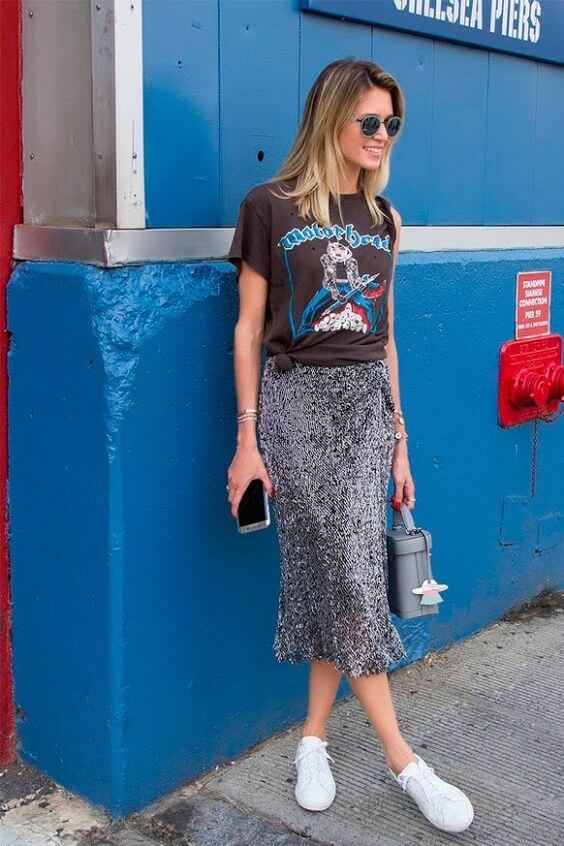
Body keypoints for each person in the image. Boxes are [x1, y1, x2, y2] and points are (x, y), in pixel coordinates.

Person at [226, 58, 474, 835]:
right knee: (350, 574)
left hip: (368, 408)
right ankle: (405, 761)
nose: (380, 136)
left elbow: (387, 336)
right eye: (369, 121)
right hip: (295, 403)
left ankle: (311, 741)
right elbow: (246, 329)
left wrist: (401, 440)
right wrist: (246, 441)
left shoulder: (384, 218)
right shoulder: (268, 207)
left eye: (391, 124)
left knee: (336, 573)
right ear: (331, 118)